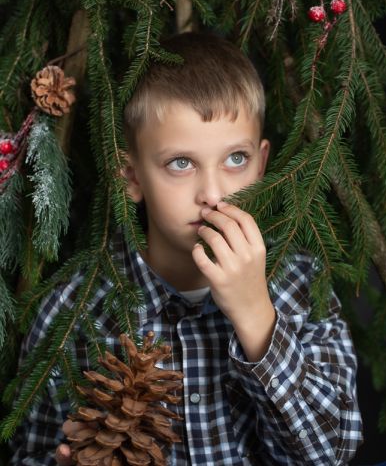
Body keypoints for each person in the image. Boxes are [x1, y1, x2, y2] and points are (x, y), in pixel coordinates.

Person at [9, 32, 363, 465]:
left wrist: (256, 316)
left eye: (236, 159)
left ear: (262, 163)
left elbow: (335, 451)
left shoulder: (303, 284)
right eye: (181, 163)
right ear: (132, 177)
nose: (213, 193)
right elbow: (29, 450)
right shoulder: (73, 312)